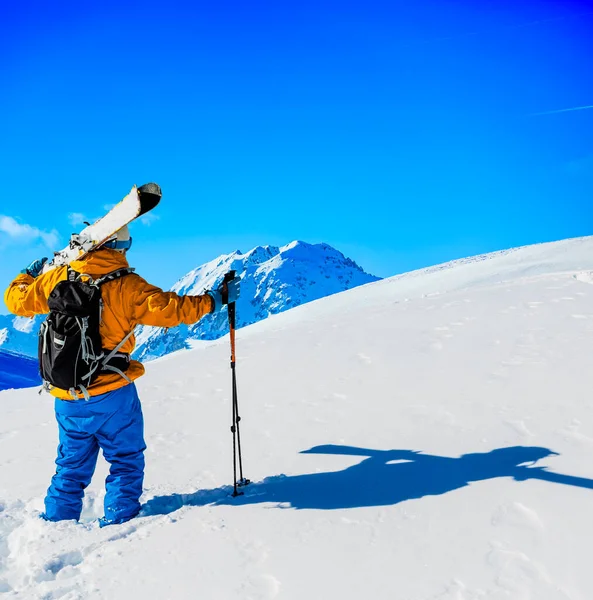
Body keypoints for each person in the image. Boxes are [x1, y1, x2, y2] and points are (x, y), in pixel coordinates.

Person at [3, 203, 240, 526]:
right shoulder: (128, 285)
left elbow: (15, 300)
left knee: (70, 466)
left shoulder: (57, 278)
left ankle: (56, 525)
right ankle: (119, 520)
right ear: (118, 247)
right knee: (125, 461)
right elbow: (174, 310)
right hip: (113, 392)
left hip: (67, 394)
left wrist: (28, 274)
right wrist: (214, 299)